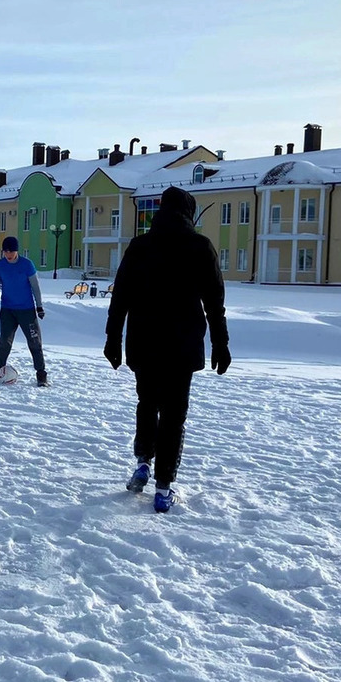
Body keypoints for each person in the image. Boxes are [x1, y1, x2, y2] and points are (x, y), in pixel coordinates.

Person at [104, 186, 230, 513]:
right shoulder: (200, 247)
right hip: (181, 346)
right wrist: (220, 343)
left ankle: (143, 462)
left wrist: (112, 339)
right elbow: (215, 303)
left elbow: (120, 299)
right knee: (174, 415)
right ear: (189, 212)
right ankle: (163, 487)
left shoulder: (139, 246)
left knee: (147, 403)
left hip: (143, 343)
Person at [0, 235, 48, 386]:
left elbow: (35, 286)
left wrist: (39, 306)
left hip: (27, 310)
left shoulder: (27, 265)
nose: (8, 255)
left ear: (16, 251)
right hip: (8, 310)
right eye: (5, 252)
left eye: (11, 252)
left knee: (35, 342)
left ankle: (41, 375)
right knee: (4, 342)